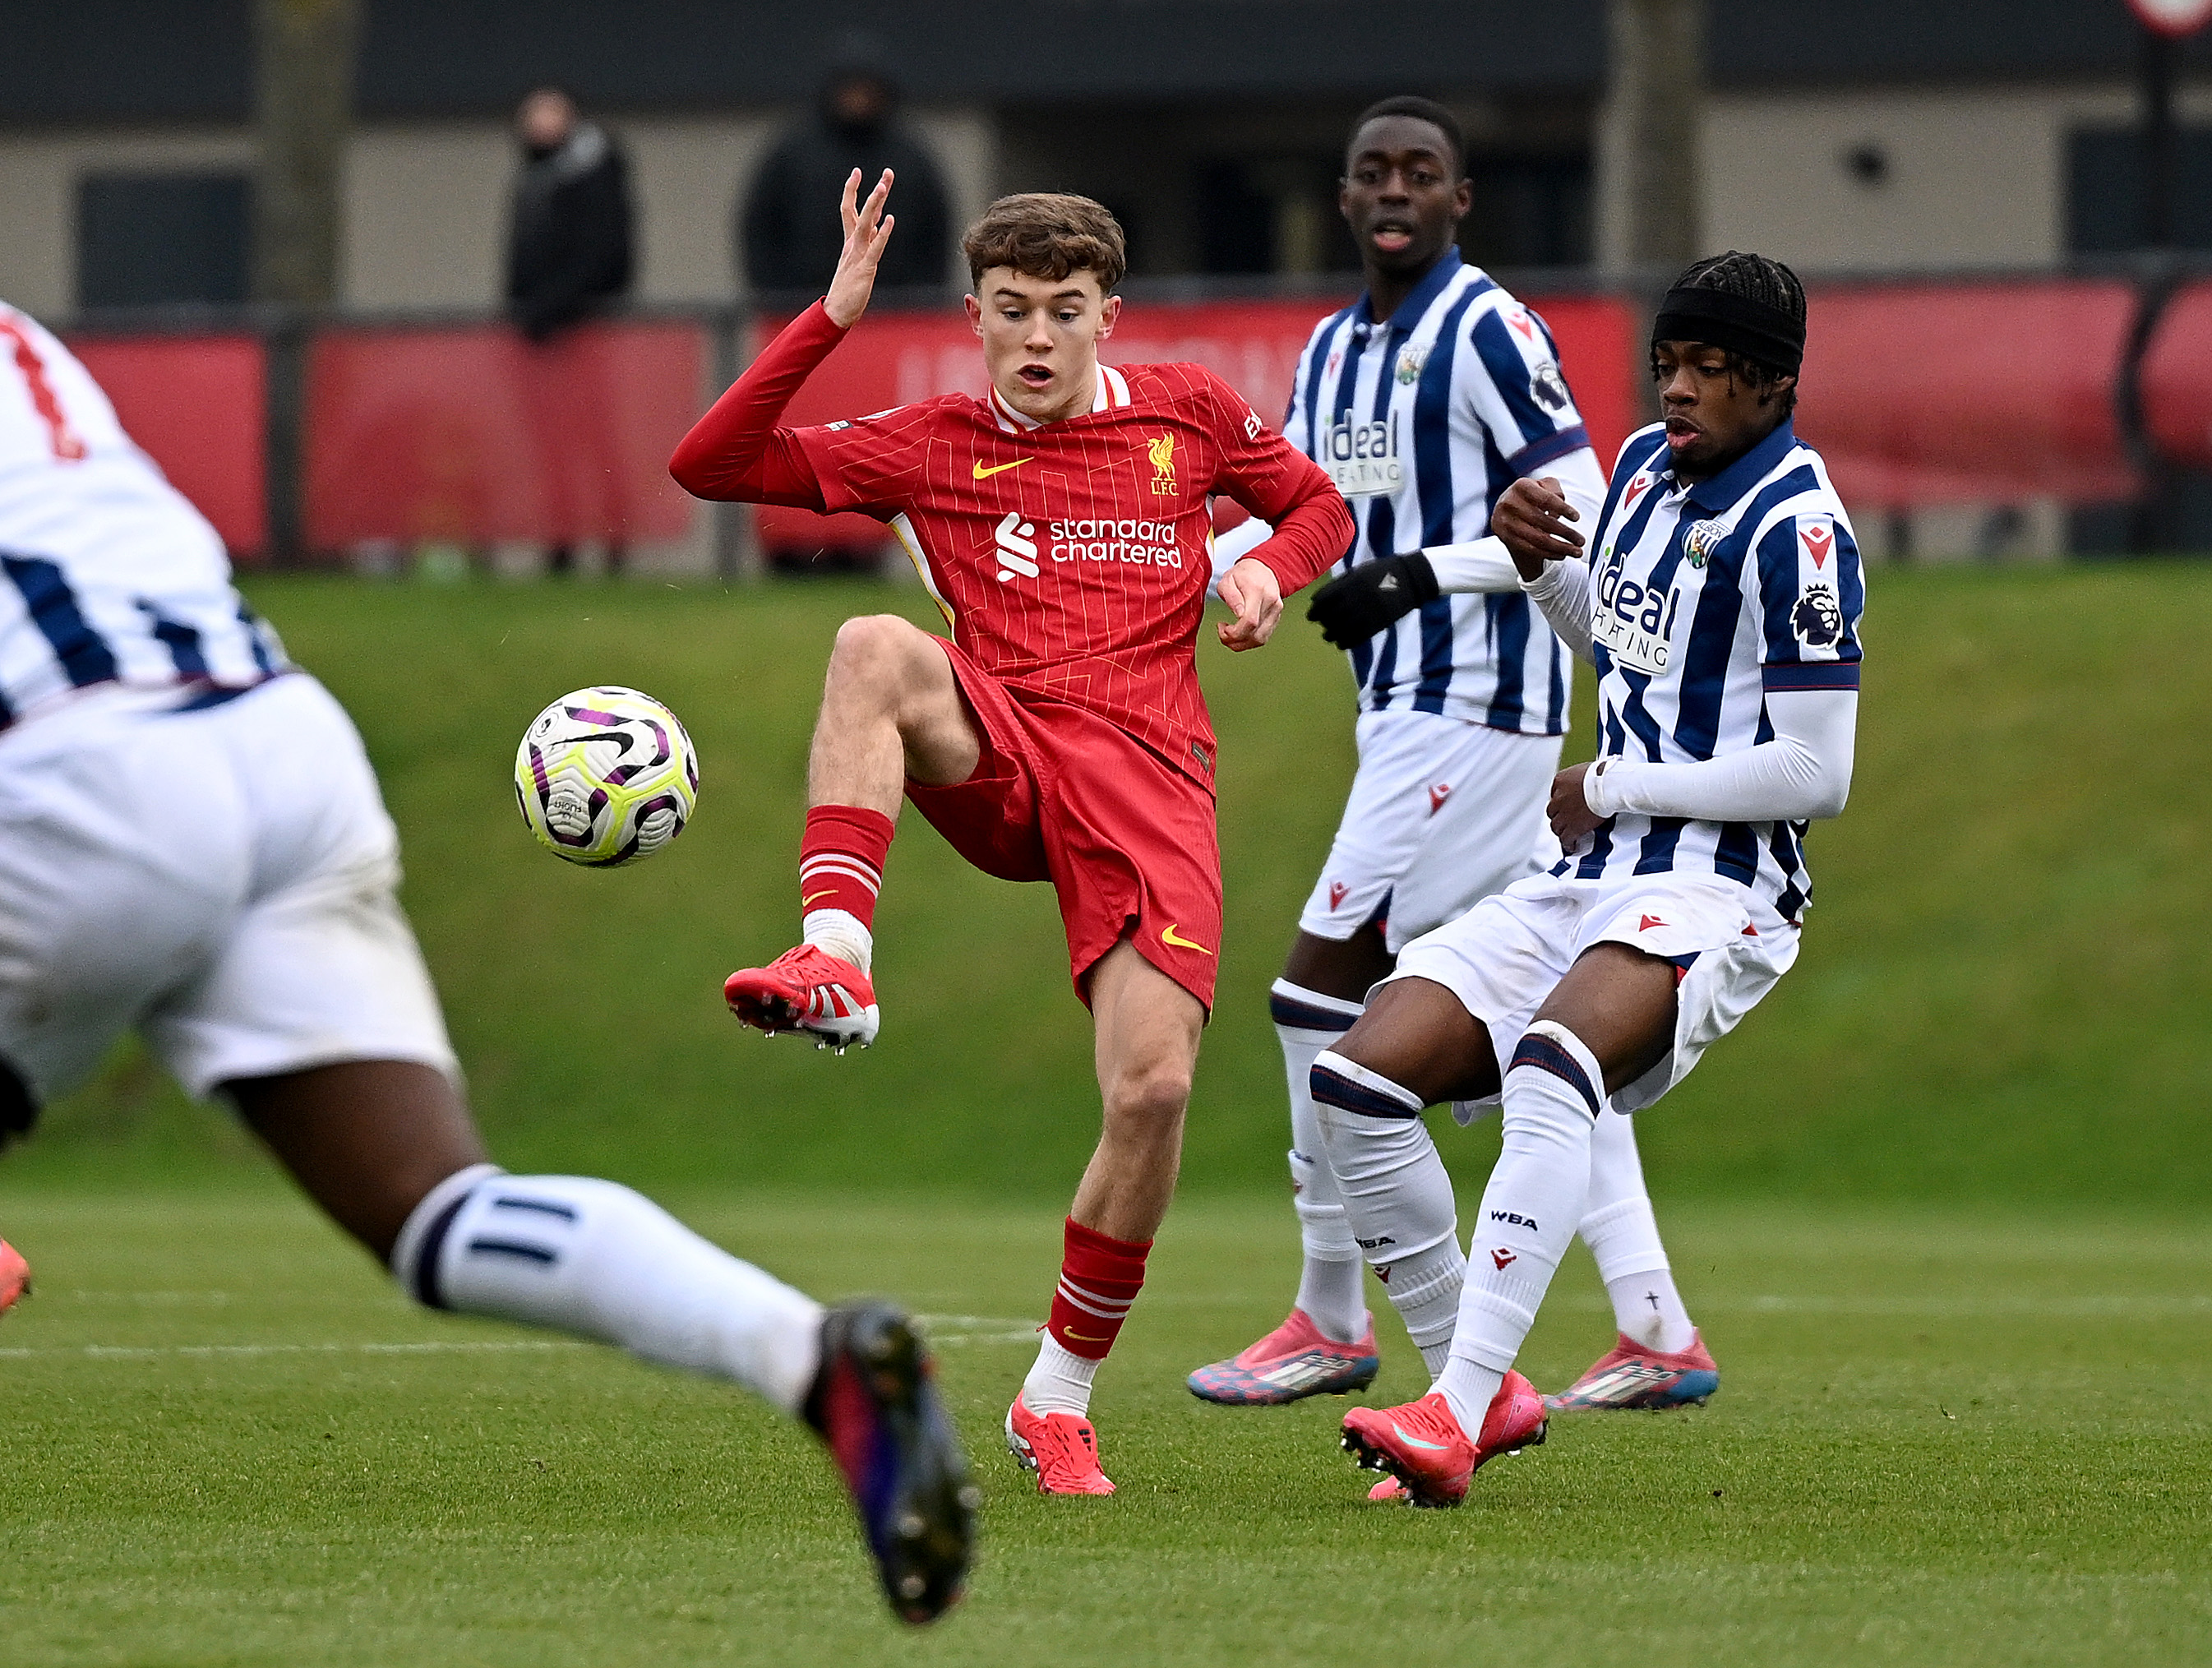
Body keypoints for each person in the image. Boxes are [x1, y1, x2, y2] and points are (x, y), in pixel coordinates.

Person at [0, 301, 973, 1624]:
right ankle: (812, 1359)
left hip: (75, 765)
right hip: (278, 743)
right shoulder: (27, 344)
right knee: (435, 1211)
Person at [669, 175, 1351, 1495]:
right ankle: (835, 958)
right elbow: (712, 466)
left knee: (1151, 1092)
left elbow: (1317, 503)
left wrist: (1267, 567)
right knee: (872, 642)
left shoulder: (1189, 414)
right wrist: (827, 318)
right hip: (1005, 746)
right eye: (1011, 312)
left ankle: (1056, 1396)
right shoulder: (929, 440)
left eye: (1064, 312)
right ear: (976, 318)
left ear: (1109, 315)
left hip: (1152, 781)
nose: (1037, 338)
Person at [1187, 99, 1716, 1453]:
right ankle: (1655, 1325)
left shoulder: (1482, 329)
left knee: (1314, 984)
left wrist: (1423, 571)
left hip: (1479, 711)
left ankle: (1331, 1312)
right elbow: (1289, 509)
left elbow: (1577, 519)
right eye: (1370, 169)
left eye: (1419, 173)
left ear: (1458, 199)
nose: (1392, 191)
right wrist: (1175, 551)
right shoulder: (1329, 348)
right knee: (1556, 1024)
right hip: (1397, 713)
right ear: (1344, 188)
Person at [1324, 252, 1863, 1506]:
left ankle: (1451, 1412)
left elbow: (1815, 771)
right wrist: (1537, 564)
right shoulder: (1639, 468)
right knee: (1356, 1078)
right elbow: (1618, 640)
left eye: (1708, 370)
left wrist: (1616, 786)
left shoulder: (1801, 530)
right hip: (1592, 869)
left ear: (1775, 385)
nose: (1676, 389)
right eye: (1668, 363)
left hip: (1720, 889)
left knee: (1556, 1062)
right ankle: (1487, 1385)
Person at [739, 63, 951, 298]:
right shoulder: (793, 154)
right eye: (851, 89)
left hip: (895, 313)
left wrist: (922, 299)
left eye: (866, 90)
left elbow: (935, 234)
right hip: (805, 306)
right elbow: (761, 228)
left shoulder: (911, 159)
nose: (858, 99)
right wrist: (776, 297)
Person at [505, 87, 635, 344]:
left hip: (589, 322)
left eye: (549, 111)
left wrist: (549, 305)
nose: (539, 122)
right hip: (539, 323)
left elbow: (600, 251)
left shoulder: (594, 177)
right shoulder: (534, 178)